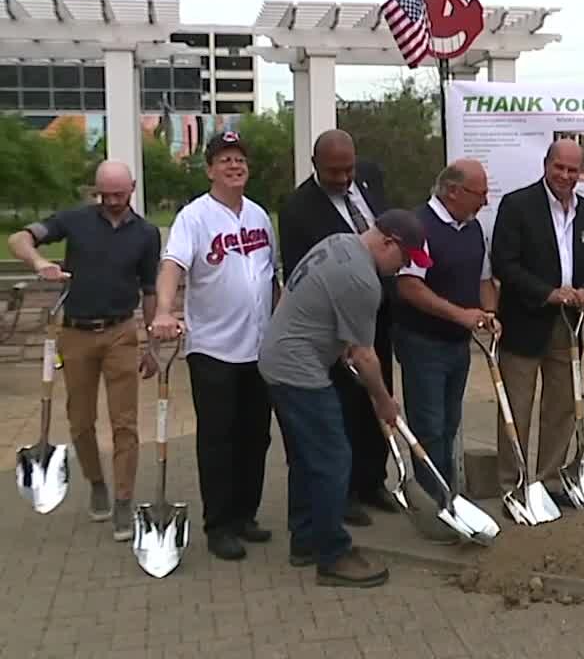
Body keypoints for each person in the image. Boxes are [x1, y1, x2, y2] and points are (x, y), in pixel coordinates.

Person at [259, 209, 428, 587]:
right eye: (405, 259)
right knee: (333, 459)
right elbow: (365, 356)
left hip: (280, 356)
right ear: (388, 243)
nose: (403, 269)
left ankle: (305, 541)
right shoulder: (362, 280)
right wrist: (384, 401)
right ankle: (332, 555)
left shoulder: (338, 242)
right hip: (297, 369)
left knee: (307, 457)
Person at [6, 160, 161, 541]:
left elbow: (151, 291)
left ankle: (124, 499)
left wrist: (153, 344)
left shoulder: (145, 233)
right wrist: (40, 261)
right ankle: (96, 483)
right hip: (75, 334)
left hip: (121, 333)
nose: (111, 201)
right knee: (80, 419)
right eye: (103, 194)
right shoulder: (74, 220)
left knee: (124, 423)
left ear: (133, 188)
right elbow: (19, 239)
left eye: (119, 194)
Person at [151, 131, 280, 561]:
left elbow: (270, 279)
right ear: (209, 169)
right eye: (224, 159)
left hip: (259, 349)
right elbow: (173, 265)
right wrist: (164, 311)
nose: (234, 166)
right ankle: (219, 524)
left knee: (255, 437)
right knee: (218, 439)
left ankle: (246, 514)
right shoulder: (195, 217)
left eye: (240, 159)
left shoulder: (260, 216)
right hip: (213, 349)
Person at [278, 129, 397, 526]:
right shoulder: (298, 209)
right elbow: (299, 273)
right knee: (346, 405)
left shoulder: (369, 177)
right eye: (334, 172)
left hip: (378, 312)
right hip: (336, 327)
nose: (344, 179)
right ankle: (341, 493)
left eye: (349, 169)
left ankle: (373, 480)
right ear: (315, 166)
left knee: (377, 397)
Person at [489, 138, 584, 507]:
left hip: (568, 324)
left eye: (573, 170)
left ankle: (550, 480)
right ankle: (514, 485)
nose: (566, 176)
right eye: (560, 167)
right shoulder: (517, 205)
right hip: (525, 321)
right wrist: (547, 293)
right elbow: (505, 264)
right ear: (546, 165)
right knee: (517, 408)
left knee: (564, 405)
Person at [392, 159, 497, 540]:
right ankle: (435, 504)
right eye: (478, 194)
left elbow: (484, 280)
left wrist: (487, 313)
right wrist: (460, 315)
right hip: (422, 342)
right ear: (452, 190)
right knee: (429, 426)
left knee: (450, 424)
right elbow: (409, 287)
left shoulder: (473, 230)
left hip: (457, 344)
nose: (484, 202)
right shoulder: (419, 227)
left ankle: (447, 494)